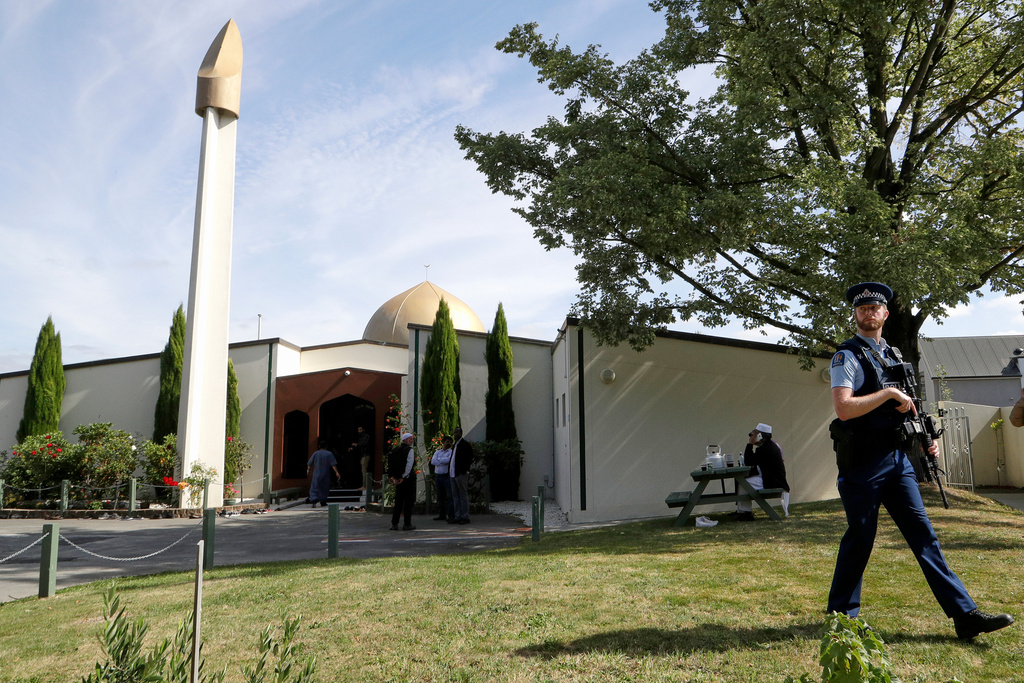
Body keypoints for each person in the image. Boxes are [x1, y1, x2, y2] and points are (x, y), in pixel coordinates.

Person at [827, 282, 1013, 640]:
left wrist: (927, 439)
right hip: (863, 462)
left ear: (885, 314)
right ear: (855, 314)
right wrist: (888, 393)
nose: (868, 313)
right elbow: (843, 408)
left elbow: (911, 405)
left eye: (874, 308)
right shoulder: (846, 356)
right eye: (861, 308)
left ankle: (965, 615)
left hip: (898, 461)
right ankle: (841, 618)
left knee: (925, 536)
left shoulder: (895, 354)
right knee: (861, 538)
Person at [736, 423, 790, 521]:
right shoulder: (768, 446)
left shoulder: (766, 448)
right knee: (741, 481)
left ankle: (745, 512)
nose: (751, 437)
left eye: (753, 435)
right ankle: (742, 510)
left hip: (772, 482)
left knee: (743, 483)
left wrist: (749, 444)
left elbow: (748, 461)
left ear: (761, 436)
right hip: (770, 479)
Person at [387, 432, 416, 531]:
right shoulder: (409, 450)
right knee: (408, 502)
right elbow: (409, 464)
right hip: (407, 480)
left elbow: (390, 464)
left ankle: (394, 523)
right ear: (406, 440)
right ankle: (407, 523)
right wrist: (404, 476)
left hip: (397, 479)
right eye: (411, 439)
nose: (412, 441)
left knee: (398, 502)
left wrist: (394, 477)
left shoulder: (395, 450)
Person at [306, 438, 339, 508]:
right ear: (326, 446)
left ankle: (314, 501)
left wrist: (308, 470)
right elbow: (333, 464)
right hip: (325, 474)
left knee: (314, 487)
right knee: (324, 488)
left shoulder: (315, 453)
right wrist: (337, 472)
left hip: (316, 474)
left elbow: (309, 463)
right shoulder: (329, 454)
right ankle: (323, 501)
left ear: (319, 446)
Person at [449, 427, 473, 524]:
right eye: (454, 432)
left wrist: (465, 470)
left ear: (461, 433)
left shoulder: (465, 445)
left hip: (460, 474)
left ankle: (465, 516)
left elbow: (470, 458)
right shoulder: (455, 445)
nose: (455, 434)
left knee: (463, 495)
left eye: (457, 432)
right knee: (455, 496)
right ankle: (457, 516)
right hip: (452, 474)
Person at [430, 434, 455, 522]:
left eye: (450, 442)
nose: (449, 443)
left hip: (446, 476)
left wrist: (439, 461)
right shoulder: (438, 452)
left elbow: (449, 461)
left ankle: (451, 515)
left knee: (449, 496)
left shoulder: (451, 452)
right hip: (438, 476)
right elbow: (433, 461)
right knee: (440, 497)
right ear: (443, 442)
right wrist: (442, 461)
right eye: (447, 442)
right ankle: (442, 514)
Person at [351, 426, 371, 490]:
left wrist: (357, 444)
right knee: (363, 471)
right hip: (362, 455)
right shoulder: (360, 437)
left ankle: (365, 485)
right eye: (358, 430)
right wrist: (353, 448)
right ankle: (364, 484)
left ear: (363, 430)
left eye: (360, 429)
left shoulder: (366, 436)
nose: (359, 431)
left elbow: (364, 443)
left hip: (365, 455)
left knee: (364, 471)